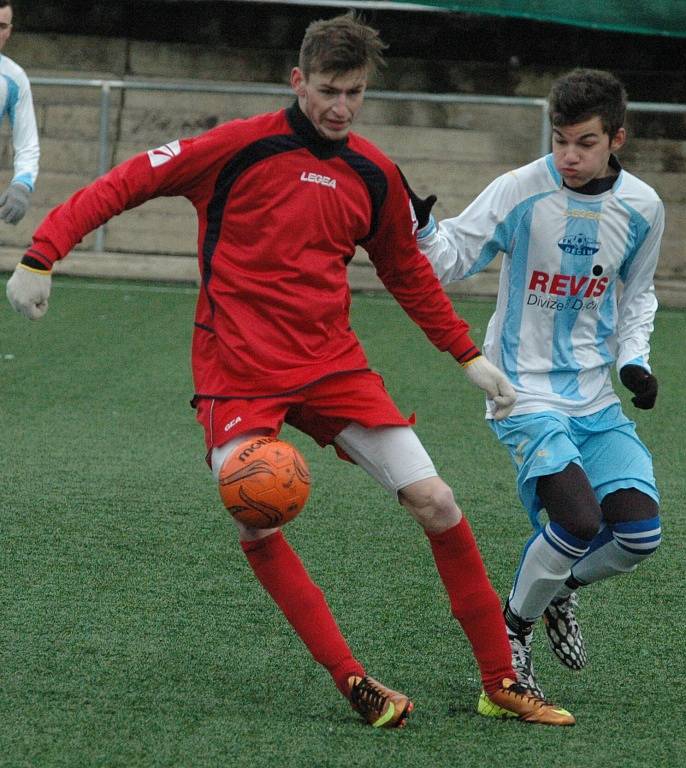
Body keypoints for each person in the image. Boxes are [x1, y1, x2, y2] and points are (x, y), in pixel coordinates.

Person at [5, 13, 575, 728]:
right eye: (329, 90)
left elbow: (406, 271)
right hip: (235, 370)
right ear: (297, 80)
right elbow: (123, 183)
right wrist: (41, 253)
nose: (340, 107)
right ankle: (354, 681)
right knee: (257, 514)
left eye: (355, 93)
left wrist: (465, 355)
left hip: (332, 368)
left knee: (438, 502)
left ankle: (500, 682)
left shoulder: (370, 171)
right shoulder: (234, 148)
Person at [409, 68, 663, 701]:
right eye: (559, 141)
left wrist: (635, 361)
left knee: (638, 534)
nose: (568, 156)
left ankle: (557, 592)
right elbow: (454, 259)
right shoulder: (521, 190)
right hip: (520, 390)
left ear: (617, 139)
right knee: (578, 518)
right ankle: (513, 632)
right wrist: (419, 230)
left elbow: (639, 296)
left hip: (594, 395)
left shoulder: (643, 208)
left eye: (584, 142)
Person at [0, 0, 39, 225]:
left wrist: (22, 185)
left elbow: (27, 144)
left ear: (9, 31)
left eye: (1, 26)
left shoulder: (14, 79)